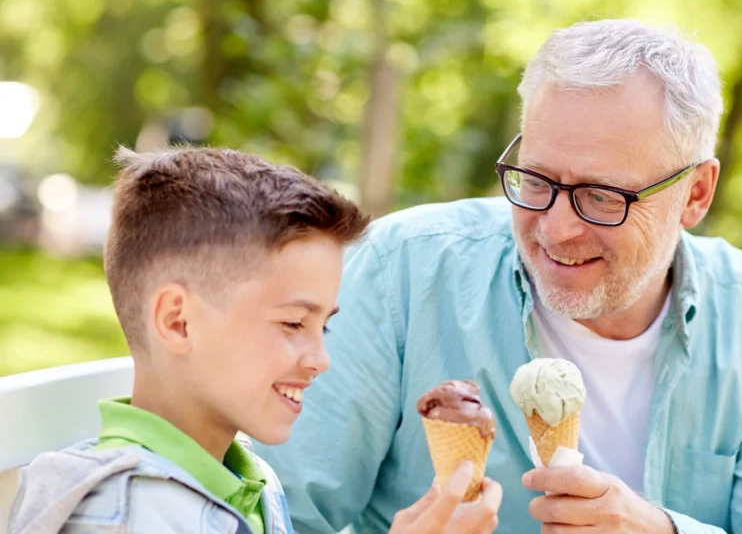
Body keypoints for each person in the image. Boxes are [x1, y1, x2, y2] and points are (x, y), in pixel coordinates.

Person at [256, 18, 742, 534]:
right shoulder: (401, 270)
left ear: (696, 194)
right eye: (536, 180)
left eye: (602, 196)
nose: (556, 230)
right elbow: (277, 517)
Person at [8, 146, 502, 534]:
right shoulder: (131, 516)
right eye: (293, 324)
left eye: (323, 326)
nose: (321, 359)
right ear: (178, 321)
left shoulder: (247, 477)